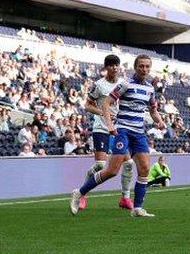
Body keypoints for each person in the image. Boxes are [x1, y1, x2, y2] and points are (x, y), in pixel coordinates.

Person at [70, 54, 166, 218]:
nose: (144, 69)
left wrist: (159, 121)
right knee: (112, 170)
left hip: (138, 132)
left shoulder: (150, 88)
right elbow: (106, 103)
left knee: (144, 169)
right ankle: (79, 192)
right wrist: (109, 125)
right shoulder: (125, 84)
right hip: (123, 130)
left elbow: (153, 110)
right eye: (141, 66)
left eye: (147, 66)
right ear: (135, 67)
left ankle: (137, 208)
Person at [79, 54, 135, 211]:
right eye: (111, 65)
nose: (114, 67)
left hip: (119, 129)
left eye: (116, 65)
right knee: (100, 165)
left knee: (129, 164)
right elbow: (88, 105)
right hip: (101, 127)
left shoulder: (124, 84)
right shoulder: (99, 85)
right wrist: (102, 112)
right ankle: (83, 192)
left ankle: (125, 198)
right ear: (106, 68)